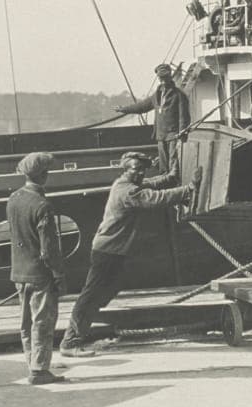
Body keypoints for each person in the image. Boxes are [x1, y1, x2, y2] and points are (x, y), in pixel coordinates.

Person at [59, 152, 201, 357]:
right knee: (90, 297)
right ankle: (70, 342)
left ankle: (81, 327)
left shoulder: (123, 183)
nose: (141, 173)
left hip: (112, 251)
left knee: (106, 291)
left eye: (143, 169)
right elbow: (155, 198)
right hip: (107, 251)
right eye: (136, 169)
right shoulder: (127, 192)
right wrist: (188, 189)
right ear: (126, 170)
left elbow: (149, 184)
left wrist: (170, 177)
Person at [7, 152, 67, 385]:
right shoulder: (42, 205)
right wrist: (59, 274)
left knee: (26, 323)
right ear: (43, 175)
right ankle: (40, 370)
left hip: (19, 273)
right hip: (40, 274)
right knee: (43, 322)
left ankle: (32, 363)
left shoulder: (13, 199)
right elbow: (48, 249)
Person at [114, 64, 191, 175]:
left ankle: (174, 183)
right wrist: (124, 109)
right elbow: (142, 107)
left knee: (174, 163)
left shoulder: (179, 95)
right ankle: (164, 183)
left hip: (174, 135)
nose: (163, 81)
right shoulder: (156, 95)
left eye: (166, 78)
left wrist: (182, 135)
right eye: (161, 78)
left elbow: (184, 117)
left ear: (170, 77)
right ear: (159, 79)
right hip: (161, 135)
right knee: (164, 165)